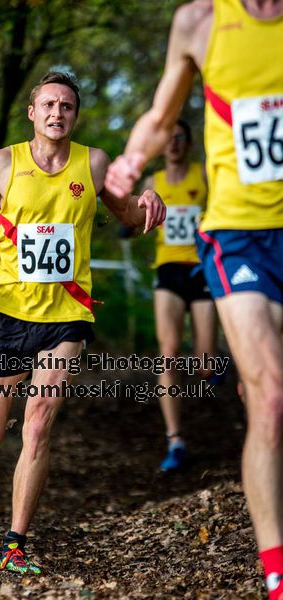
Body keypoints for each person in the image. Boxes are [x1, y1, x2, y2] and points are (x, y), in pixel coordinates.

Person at [0, 71, 165, 575]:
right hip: (7, 314)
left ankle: (15, 544)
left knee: (40, 418)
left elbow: (128, 214)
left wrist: (149, 202)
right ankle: (15, 405)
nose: (56, 113)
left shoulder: (94, 163)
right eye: (48, 104)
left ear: (75, 115)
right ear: (32, 112)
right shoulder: (4, 163)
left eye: (66, 106)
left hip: (67, 316)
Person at [105, 1, 283, 598]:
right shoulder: (200, 20)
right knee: (268, 394)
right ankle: (276, 570)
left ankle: (217, 382)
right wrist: (132, 162)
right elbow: (160, 115)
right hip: (234, 240)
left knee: (235, 371)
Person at [140, 119, 218, 472]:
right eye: (168, 139)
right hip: (168, 271)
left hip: (203, 270)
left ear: (188, 144)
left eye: (180, 138)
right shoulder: (151, 183)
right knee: (168, 353)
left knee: (204, 366)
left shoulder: (204, 175)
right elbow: (131, 219)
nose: (173, 144)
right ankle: (175, 439)